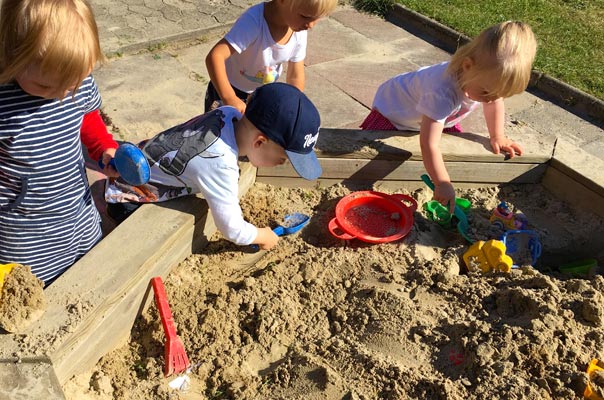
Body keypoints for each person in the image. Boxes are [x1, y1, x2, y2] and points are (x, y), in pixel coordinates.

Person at [105, 82, 321, 250]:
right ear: (259, 142)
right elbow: (232, 229)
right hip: (132, 194)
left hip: (145, 159)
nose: (280, 164)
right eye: (282, 159)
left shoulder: (227, 113)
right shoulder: (219, 163)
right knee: (141, 245)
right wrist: (263, 235)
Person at [0, 0, 120, 285]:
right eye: (46, 86)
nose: (62, 95)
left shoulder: (74, 82)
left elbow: (87, 116)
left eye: (73, 85)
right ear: (11, 57)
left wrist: (103, 147)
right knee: (31, 286)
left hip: (76, 208)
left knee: (85, 265)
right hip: (24, 226)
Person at [361, 21, 537, 213]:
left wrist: (498, 136)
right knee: (381, 153)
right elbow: (428, 145)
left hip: (434, 113)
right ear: (468, 65)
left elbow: (494, 103)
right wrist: (442, 183)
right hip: (393, 112)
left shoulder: (481, 79)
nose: (492, 99)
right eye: (487, 93)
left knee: (446, 140)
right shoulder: (442, 93)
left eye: (499, 94)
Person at [204, 0, 338, 114]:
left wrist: (294, 104)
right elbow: (215, 56)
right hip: (228, 89)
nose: (311, 25)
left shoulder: (298, 29)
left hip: (263, 95)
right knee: (219, 137)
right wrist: (229, 97)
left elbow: (295, 76)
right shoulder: (254, 22)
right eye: (305, 16)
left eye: (317, 18)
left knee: (250, 141)